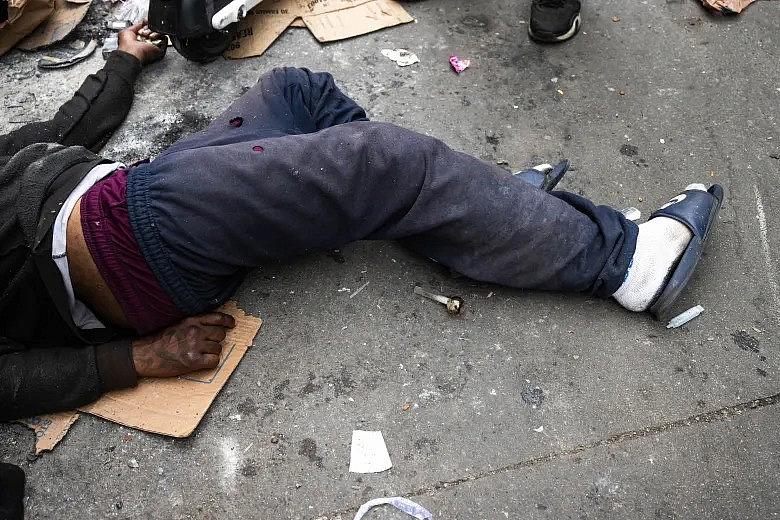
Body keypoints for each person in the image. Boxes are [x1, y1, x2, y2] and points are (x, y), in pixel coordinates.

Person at [0, 22, 722, 423]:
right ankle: (629, 265)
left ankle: (468, 220)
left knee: (300, 91)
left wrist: (123, 62)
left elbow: (66, 128)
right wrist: (133, 361)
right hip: (118, 247)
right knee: (381, 163)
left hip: (129, 191)